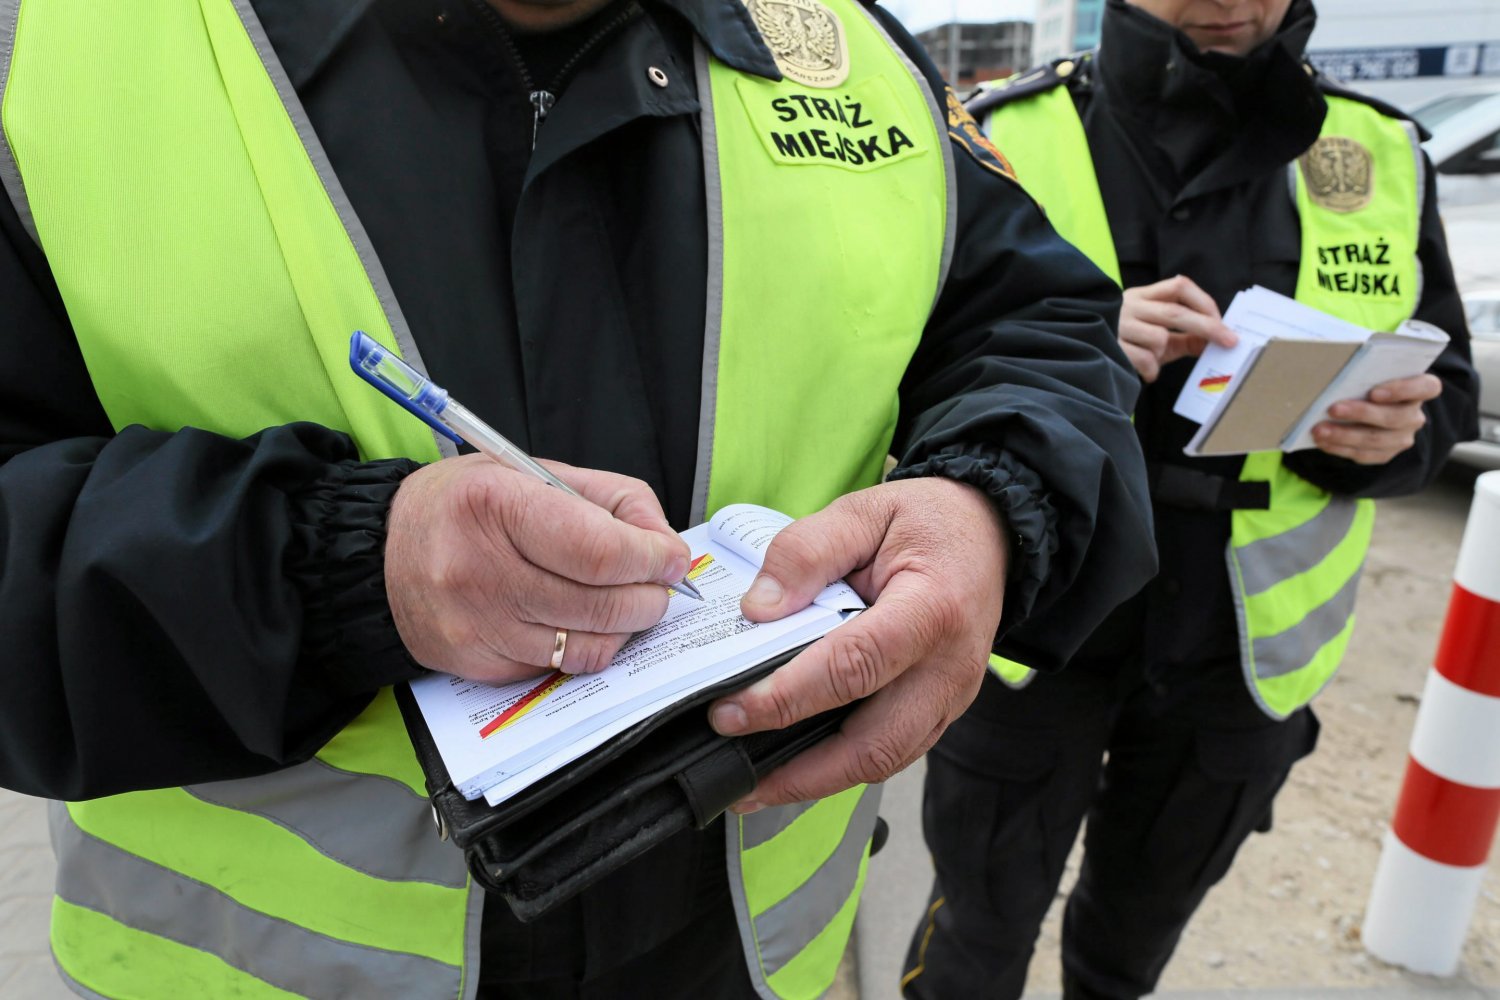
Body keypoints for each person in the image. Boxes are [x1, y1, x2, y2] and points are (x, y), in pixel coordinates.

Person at [0, 0, 1158, 996]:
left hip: (745, 954)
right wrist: (341, 566)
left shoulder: (845, 52)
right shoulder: (48, 50)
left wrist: (993, 505)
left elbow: (1040, 323)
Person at [901, 2, 1483, 998]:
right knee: (974, 939)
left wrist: (1394, 438)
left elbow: (1447, 385)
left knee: (1128, 951)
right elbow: (901, 374)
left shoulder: (1380, 151)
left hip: (1239, 654)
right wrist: (1076, 346)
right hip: (1037, 626)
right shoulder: (1000, 134)